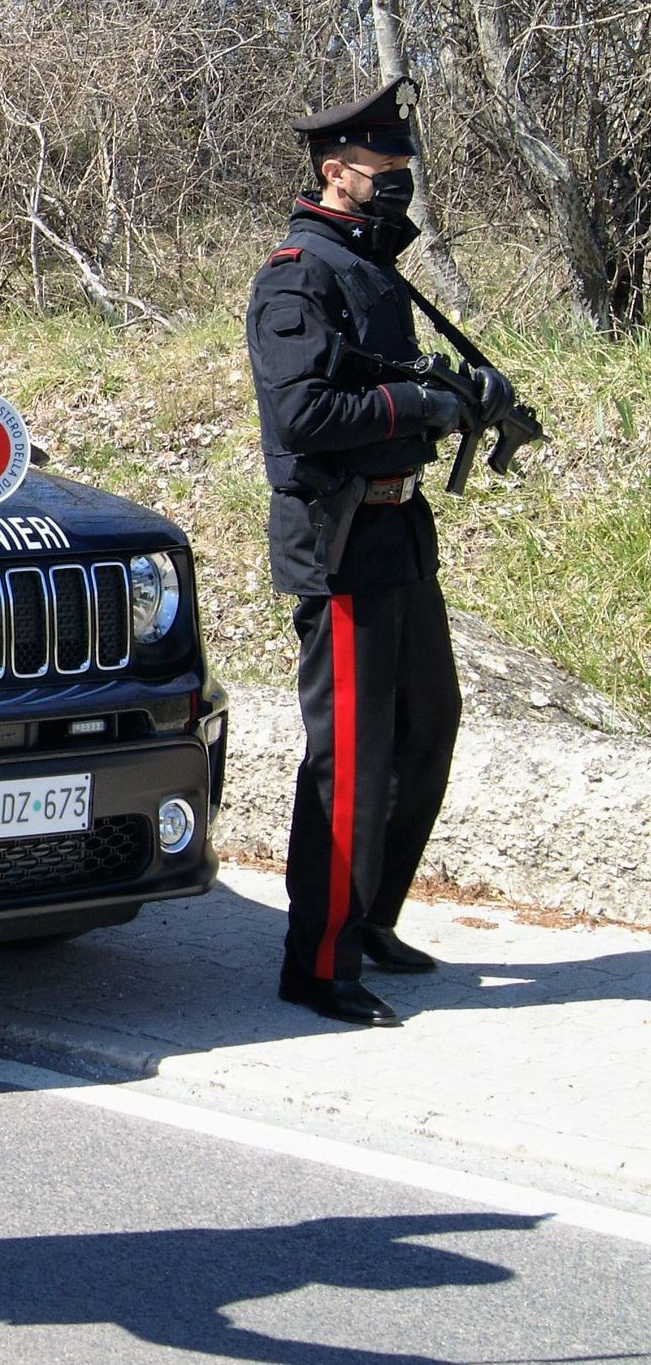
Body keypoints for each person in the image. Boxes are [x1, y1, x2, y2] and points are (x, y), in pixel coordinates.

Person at [245, 76, 513, 1029]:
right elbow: (305, 415)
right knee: (349, 759)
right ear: (335, 170)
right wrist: (424, 407)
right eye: (383, 165)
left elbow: (382, 378)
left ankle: (371, 920)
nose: (398, 178)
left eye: (404, 163)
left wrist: (457, 393)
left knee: (423, 730)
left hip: (399, 533)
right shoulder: (298, 273)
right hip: (343, 540)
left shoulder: (369, 264)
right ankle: (318, 962)